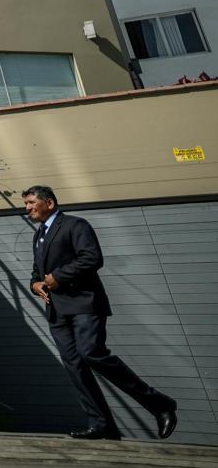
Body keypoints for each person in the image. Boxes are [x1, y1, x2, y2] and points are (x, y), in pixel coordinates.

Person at [22, 186, 177, 440]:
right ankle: (102, 425)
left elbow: (92, 258)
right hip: (57, 312)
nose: (27, 208)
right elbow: (37, 272)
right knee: (75, 367)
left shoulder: (75, 225)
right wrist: (35, 284)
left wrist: (58, 276)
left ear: (49, 203)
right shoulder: (39, 235)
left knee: (91, 353)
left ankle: (159, 404)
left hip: (84, 304)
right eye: (26, 204)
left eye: (31, 202)